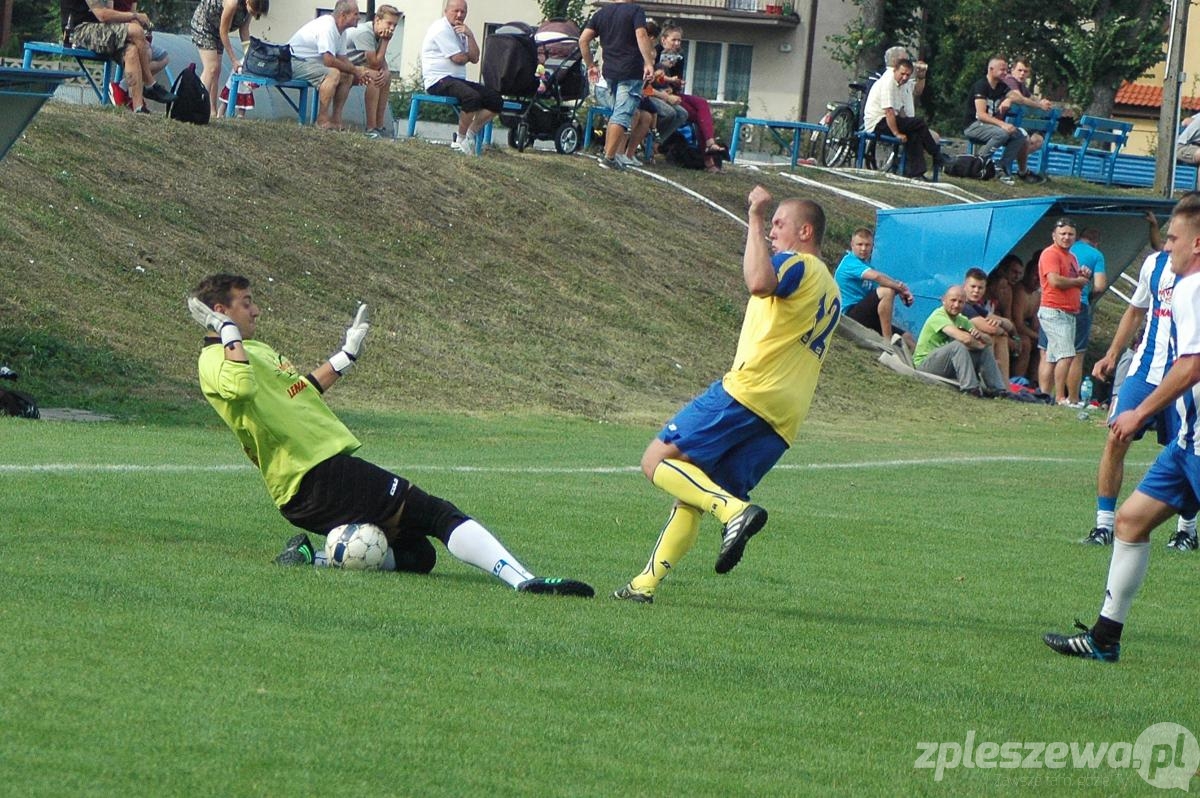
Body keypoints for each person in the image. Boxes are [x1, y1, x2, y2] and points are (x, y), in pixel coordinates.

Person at [186, 274, 594, 597]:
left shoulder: (253, 349)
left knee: (418, 555)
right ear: (219, 311)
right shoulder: (214, 359)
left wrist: (345, 355)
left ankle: (314, 558)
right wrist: (226, 331)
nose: (256, 310)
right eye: (245, 303)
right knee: (437, 513)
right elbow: (241, 389)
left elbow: (298, 392)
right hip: (317, 474)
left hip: (307, 487)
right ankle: (524, 580)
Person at [613, 186, 840, 603]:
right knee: (693, 493)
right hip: (785, 419)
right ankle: (643, 585)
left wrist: (754, 216)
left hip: (749, 393)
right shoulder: (831, 288)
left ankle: (734, 512)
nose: (772, 232)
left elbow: (758, 282)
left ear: (805, 232)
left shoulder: (797, 263)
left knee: (655, 460)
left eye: (779, 224)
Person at [1044, 194, 1200, 662]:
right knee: (1131, 522)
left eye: (1173, 238)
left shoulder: (1194, 287)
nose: (1165, 246)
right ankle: (1104, 638)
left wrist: (1139, 411)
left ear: (1197, 244)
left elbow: (1192, 364)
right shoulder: (1174, 280)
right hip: (1188, 441)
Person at [1083, 238, 1198, 551]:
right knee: (1116, 436)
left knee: (1187, 448)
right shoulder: (1154, 264)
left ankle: (1186, 530)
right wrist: (1112, 353)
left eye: (1174, 237)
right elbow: (1135, 311)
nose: (1167, 243)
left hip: (1184, 376)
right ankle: (1104, 524)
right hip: (1145, 369)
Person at [578, 0, 655, 171]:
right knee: (622, 113)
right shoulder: (635, 11)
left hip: (610, 72)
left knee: (617, 113)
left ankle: (609, 153)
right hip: (631, 71)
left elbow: (583, 40)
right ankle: (609, 158)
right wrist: (649, 63)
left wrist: (590, 65)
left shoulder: (601, 14)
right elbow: (641, 35)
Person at [60, 0, 175, 113]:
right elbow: (102, 15)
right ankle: (150, 84)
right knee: (136, 31)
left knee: (132, 51)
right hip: (78, 30)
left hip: (99, 27)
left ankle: (138, 107)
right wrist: (135, 16)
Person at [421, 0, 504, 156]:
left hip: (457, 80)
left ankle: (470, 135)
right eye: (456, 11)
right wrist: (467, 56)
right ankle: (459, 140)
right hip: (438, 80)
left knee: (496, 100)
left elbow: (475, 57)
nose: (459, 15)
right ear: (446, 11)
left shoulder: (462, 31)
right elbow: (458, 59)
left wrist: (470, 35)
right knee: (472, 97)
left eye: (463, 12)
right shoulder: (440, 28)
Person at [289, 0, 381, 132]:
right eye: (355, 14)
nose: (359, 17)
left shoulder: (341, 31)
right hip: (294, 62)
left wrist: (358, 72)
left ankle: (336, 120)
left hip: (311, 65)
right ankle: (322, 120)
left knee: (347, 76)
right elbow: (329, 61)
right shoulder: (327, 27)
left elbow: (343, 59)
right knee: (333, 73)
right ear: (343, 15)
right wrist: (355, 70)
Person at [655, 24, 727, 172]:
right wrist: (664, 73)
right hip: (657, 94)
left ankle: (710, 143)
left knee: (702, 103)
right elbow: (650, 79)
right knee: (697, 116)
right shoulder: (655, 52)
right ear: (663, 40)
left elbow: (677, 82)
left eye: (679, 40)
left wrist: (675, 84)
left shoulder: (679, 57)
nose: (677, 44)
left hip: (673, 93)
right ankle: (708, 159)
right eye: (674, 40)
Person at [861, 57, 948, 179]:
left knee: (915, 133)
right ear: (895, 70)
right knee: (919, 123)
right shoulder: (888, 82)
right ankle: (937, 156)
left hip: (889, 120)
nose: (905, 77)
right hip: (877, 122)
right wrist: (897, 133)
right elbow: (889, 112)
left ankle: (916, 172)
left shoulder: (901, 85)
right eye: (902, 74)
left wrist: (908, 123)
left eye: (908, 75)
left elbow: (902, 108)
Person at [912, 285, 1008, 396]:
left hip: (946, 364)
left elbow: (988, 342)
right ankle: (970, 388)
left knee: (984, 350)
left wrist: (980, 335)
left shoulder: (962, 319)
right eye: (953, 300)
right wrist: (978, 344)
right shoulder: (938, 316)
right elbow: (965, 339)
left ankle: (998, 390)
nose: (956, 305)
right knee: (958, 345)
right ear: (943, 300)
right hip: (925, 364)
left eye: (961, 302)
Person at [1036, 218, 1090, 404]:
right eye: (1063, 234)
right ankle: (1060, 397)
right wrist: (1077, 281)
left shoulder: (1072, 257)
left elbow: (1074, 281)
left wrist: (1082, 276)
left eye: (1070, 234)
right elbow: (1055, 281)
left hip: (1069, 312)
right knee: (1067, 355)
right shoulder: (1050, 254)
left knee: (1051, 357)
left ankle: (1044, 395)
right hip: (1054, 311)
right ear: (1054, 235)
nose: (1066, 237)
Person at [833, 227, 914, 348]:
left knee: (907, 337)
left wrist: (899, 292)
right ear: (852, 245)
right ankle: (888, 343)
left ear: (872, 246)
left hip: (866, 315)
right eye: (860, 244)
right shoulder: (849, 262)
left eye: (867, 245)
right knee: (886, 291)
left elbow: (880, 290)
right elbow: (877, 277)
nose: (863, 248)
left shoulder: (867, 266)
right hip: (849, 316)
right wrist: (902, 289)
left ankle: (920, 359)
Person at [190, 0, 267, 118]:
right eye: (254, 12)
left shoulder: (251, 7)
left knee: (217, 71)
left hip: (217, 29)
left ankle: (212, 112)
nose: (256, 16)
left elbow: (244, 30)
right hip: (204, 25)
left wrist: (248, 54)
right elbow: (223, 32)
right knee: (211, 68)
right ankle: (196, 108)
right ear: (248, 1)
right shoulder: (232, 3)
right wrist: (234, 60)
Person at [963, 56, 1027, 186]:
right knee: (1002, 133)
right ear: (991, 69)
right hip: (974, 125)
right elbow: (981, 115)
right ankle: (979, 163)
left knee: (1019, 135)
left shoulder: (1002, 86)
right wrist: (1003, 124)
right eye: (1002, 69)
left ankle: (1000, 166)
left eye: (1006, 70)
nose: (1005, 73)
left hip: (991, 127)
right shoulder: (981, 86)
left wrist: (1010, 99)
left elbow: (1020, 98)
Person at [1065, 228, 1108, 405]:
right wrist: (1090, 296)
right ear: (1096, 242)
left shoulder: (1066, 247)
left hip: (1057, 303)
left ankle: (1049, 392)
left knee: (1052, 351)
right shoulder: (1096, 255)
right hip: (1079, 304)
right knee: (1077, 353)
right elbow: (1100, 285)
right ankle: (1073, 397)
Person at [347, 4, 401, 139]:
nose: (392, 28)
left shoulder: (379, 33)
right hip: (343, 67)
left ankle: (379, 126)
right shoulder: (365, 33)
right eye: (389, 23)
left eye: (395, 25)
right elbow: (374, 64)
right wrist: (385, 42)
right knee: (375, 77)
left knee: (385, 77)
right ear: (377, 20)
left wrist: (386, 71)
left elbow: (381, 60)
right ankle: (371, 128)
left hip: (356, 68)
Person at [998, 58, 1052, 183]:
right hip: (1001, 123)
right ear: (1012, 70)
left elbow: (1031, 97)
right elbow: (1019, 98)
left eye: (1025, 71)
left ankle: (1016, 168)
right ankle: (1018, 170)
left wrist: (1042, 102)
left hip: (1014, 126)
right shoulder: (1010, 80)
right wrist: (1039, 105)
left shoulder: (1021, 85)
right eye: (1020, 70)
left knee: (1037, 140)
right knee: (1025, 138)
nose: (1022, 74)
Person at [962, 267, 1017, 381]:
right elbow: (990, 329)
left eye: (980, 288)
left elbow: (1010, 325)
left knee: (999, 337)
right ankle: (992, 381)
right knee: (992, 336)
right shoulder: (963, 304)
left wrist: (1000, 322)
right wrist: (1003, 331)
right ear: (965, 286)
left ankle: (1003, 384)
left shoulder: (975, 306)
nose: (976, 291)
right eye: (973, 286)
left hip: (969, 346)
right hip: (957, 348)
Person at [1012, 252, 1042, 383]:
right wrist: (1037, 336)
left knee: (1042, 346)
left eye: (1041, 277)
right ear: (1027, 273)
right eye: (1035, 275)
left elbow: (1035, 323)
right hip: (1013, 330)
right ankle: (1017, 381)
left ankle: (1035, 383)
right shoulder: (1019, 291)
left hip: (1026, 331)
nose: (1038, 279)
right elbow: (1018, 325)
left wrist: (1042, 338)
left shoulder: (1037, 295)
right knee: (1025, 342)